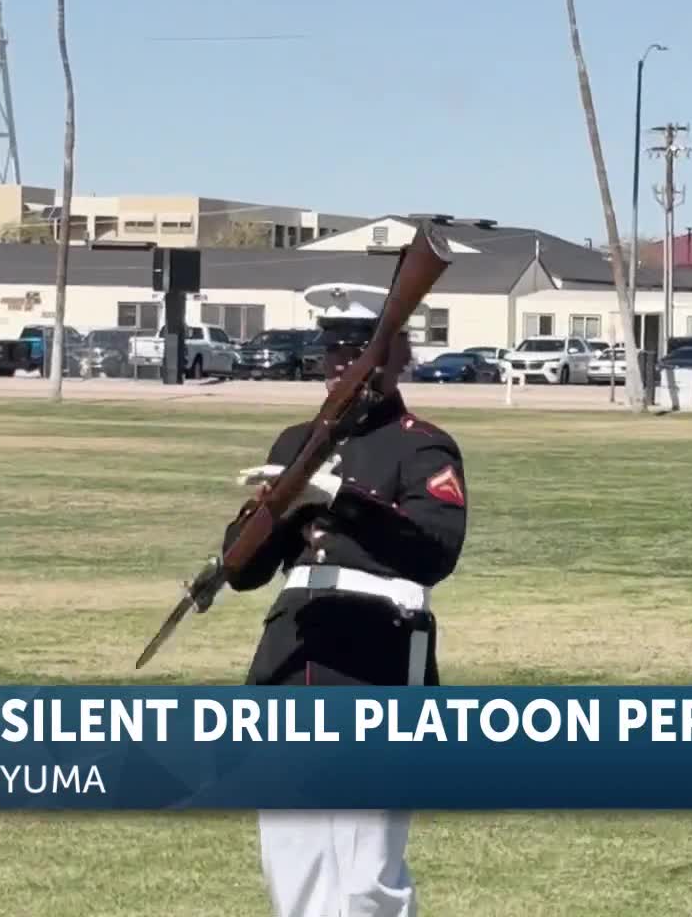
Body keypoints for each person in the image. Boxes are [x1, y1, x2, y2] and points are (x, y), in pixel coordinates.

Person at [220, 283, 467, 917]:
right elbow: (245, 573)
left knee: (365, 875)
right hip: (293, 659)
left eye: (358, 353)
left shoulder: (422, 446)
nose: (341, 366)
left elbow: (434, 551)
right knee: (294, 864)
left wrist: (343, 499)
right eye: (333, 351)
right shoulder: (297, 442)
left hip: (375, 663)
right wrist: (269, 512)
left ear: (395, 359)